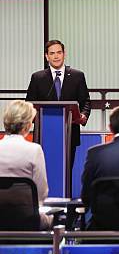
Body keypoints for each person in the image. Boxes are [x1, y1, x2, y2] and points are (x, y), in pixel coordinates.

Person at [26, 40, 91, 168]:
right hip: (44, 134)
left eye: (59, 52)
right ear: (47, 56)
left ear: (64, 54)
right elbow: (28, 104)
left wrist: (83, 115)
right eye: (52, 53)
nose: (56, 56)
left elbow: (86, 101)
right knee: (44, 171)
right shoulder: (37, 77)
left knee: (66, 170)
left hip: (69, 133)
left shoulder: (77, 76)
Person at [0, 100, 52, 229]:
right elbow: (41, 193)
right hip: (26, 220)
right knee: (54, 219)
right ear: (27, 125)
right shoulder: (34, 150)